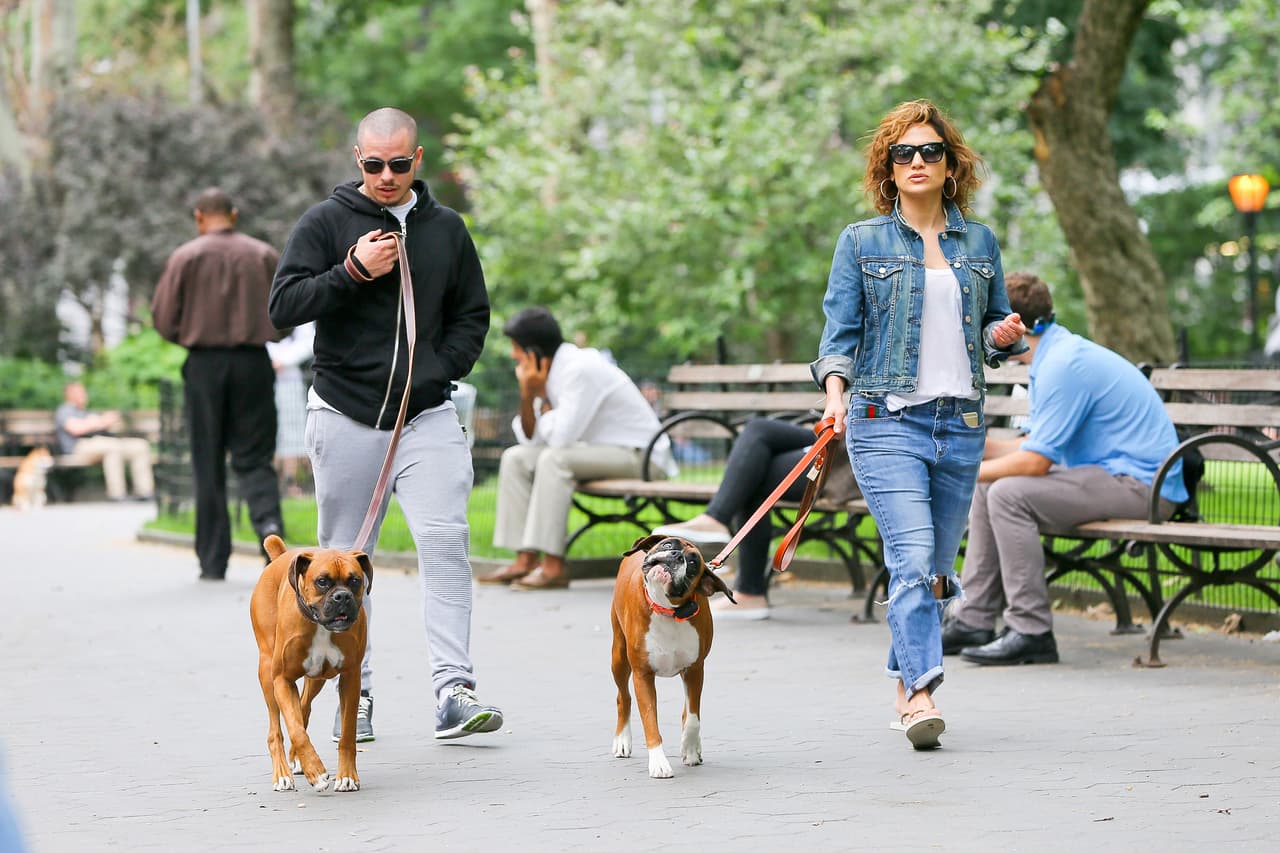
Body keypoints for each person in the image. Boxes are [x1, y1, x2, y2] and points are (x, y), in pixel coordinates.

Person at [268, 106, 501, 744]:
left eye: (400, 164)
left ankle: (454, 690)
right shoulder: (325, 221)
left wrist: (436, 373)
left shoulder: (447, 229)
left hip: (425, 415)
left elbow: (471, 314)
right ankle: (355, 692)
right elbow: (281, 306)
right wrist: (350, 272)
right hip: (345, 412)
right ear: (357, 159)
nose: (387, 175)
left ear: (417, 160)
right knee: (339, 567)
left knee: (447, 545)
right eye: (374, 165)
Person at [811, 99, 1026, 749]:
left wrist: (1005, 332)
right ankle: (922, 692)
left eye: (930, 151)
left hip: (959, 424)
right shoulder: (861, 241)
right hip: (884, 423)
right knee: (908, 561)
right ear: (888, 167)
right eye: (903, 153)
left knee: (932, 568)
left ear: (951, 165)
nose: (917, 162)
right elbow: (838, 335)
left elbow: (990, 332)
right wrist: (834, 393)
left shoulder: (978, 242)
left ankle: (905, 685)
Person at [944, 272, 1188, 665]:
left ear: (1013, 324)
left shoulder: (1063, 364)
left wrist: (955, 474)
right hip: (1110, 476)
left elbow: (1036, 464)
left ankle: (1031, 630)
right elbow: (1032, 444)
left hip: (1143, 486)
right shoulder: (1054, 355)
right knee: (990, 488)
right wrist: (967, 448)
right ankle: (974, 619)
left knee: (1007, 492)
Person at [479, 307, 674, 590]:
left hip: (641, 455)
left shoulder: (580, 369)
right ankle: (524, 559)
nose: (513, 355)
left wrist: (542, 401)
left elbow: (559, 440)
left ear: (533, 352)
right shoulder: (550, 373)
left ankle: (554, 566)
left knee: (554, 459)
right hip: (600, 451)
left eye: (516, 348)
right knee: (516, 458)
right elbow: (530, 440)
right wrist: (529, 394)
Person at [151, 188, 286, 581]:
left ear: (199, 217)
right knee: (256, 458)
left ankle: (213, 560)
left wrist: (190, 335)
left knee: (207, 461)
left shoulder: (185, 257)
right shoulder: (262, 254)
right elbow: (286, 308)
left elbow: (162, 317)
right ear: (234, 214)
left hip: (204, 365)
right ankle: (270, 537)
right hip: (253, 363)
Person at [651, 417, 861, 620]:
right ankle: (716, 523)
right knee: (758, 430)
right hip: (841, 431)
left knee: (753, 471)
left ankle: (747, 585)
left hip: (859, 448)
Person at [53, 381, 154, 502]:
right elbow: (76, 429)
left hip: (102, 444)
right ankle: (117, 494)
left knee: (139, 446)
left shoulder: (86, 411)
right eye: (79, 392)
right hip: (78, 448)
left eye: (83, 392)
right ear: (69, 393)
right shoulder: (65, 410)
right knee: (112, 447)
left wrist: (110, 421)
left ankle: (145, 492)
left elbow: (107, 427)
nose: (84, 395)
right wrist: (99, 422)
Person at [265, 321, 315, 497]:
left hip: (289, 378)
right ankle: (272, 484)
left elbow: (308, 342)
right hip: (264, 377)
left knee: (293, 434)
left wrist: (283, 361)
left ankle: (291, 482)